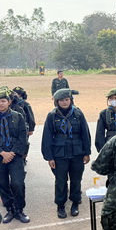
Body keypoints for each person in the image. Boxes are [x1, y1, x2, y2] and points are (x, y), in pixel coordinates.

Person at [41, 89, 91, 219]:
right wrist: (49, 157)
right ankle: (60, 205)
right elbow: (47, 137)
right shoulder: (52, 116)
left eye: (67, 99)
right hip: (59, 153)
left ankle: (75, 202)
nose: (64, 102)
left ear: (71, 100)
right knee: (60, 180)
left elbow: (85, 134)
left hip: (77, 152)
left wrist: (87, 152)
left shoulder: (78, 114)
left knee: (76, 179)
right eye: (61, 100)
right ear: (57, 102)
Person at [0, 90, 29, 224]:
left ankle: (19, 209)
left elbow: (23, 136)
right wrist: (2, 153)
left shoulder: (18, 117)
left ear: (9, 102)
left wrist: (12, 153)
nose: (1, 104)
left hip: (15, 155)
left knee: (17, 183)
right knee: (2, 183)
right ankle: (9, 209)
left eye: (3, 101)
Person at [95, 88, 116, 153]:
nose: (114, 100)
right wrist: (101, 149)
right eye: (111, 98)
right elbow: (100, 132)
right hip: (110, 142)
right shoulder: (104, 113)